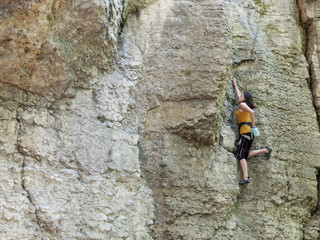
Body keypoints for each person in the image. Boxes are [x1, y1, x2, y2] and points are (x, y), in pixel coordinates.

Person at [232, 78, 272, 185]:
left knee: (241, 155)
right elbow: (240, 95)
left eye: (241, 96)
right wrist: (235, 85)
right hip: (249, 132)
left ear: (244, 99)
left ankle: (245, 177)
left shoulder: (242, 105)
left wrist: (253, 126)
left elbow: (252, 112)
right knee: (245, 155)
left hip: (246, 131)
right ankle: (266, 150)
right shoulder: (243, 104)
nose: (239, 97)